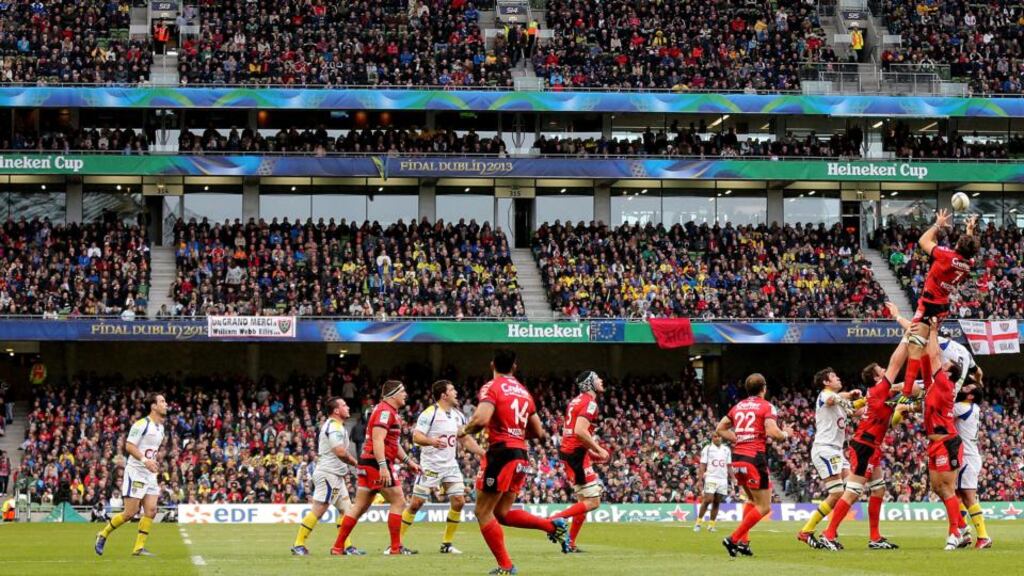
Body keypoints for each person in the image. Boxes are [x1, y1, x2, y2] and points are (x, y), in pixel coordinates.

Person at [459, 348, 570, 575]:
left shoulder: (492, 387)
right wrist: (515, 432)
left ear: (492, 365)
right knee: (502, 512)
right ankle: (552, 526)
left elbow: (481, 419)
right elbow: (539, 433)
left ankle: (506, 567)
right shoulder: (523, 392)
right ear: (514, 367)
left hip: (501, 453)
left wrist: (464, 430)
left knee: (482, 512)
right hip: (520, 455)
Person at [820, 333, 914, 551]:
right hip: (864, 445)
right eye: (881, 371)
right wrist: (906, 338)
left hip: (873, 446)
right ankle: (829, 533)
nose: (885, 370)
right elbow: (896, 362)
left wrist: (907, 407)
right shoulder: (881, 389)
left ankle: (874, 537)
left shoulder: (883, 393)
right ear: (876, 378)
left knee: (879, 490)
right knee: (853, 491)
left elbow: (890, 417)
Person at [331, 380, 421, 556]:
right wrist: (383, 467)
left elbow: (392, 444)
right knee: (398, 501)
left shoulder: (388, 412)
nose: (405, 395)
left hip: (368, 461)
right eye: (402, 392)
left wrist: (408, 462)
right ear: (393, 394)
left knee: (359, 507)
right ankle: (396, 548)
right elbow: (378, 439)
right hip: (376, 462)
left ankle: (337, 547)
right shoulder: (385, 412)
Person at [899, 210, 979, 402]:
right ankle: (926, 386)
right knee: (925, 345)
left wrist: (938, 224)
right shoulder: (969, 263)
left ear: (958, 245)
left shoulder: (946, 255)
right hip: (942, 305)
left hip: (929, 303)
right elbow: (968, 251)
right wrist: (969, 231)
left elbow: (923, 241)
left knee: (914, 343)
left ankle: (907, 390)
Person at [400, 380, 485, 554]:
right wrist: (432, 441)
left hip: (450, 465)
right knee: (416, 503)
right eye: (452, 390)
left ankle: (446, 544)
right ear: (444, 395)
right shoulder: (429, 413)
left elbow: (465, 439)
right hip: (430, 465)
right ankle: (396, 543)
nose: (456, 393)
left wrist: (483, 453)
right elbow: (416, 436)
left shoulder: (458, 415)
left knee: (459, 501)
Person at [718, 373, 793, 557]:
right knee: (764, 506)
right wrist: (786, 434)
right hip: (754, 458)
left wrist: (738, 438)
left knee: (752, 501)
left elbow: (720, 429)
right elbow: (773, 432)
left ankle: (743, 543)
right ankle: (733, 539)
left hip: (737, 458)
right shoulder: (766, 406)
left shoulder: (738, 406)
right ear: (764, 388)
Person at [797, 367, 864, 546]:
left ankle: (827, 531)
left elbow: (855, 411)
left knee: (854, 489)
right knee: (837, 493)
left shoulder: (839, 405)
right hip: (825, 449)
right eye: (834, 377)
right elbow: (833, 399)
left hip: (836, 451)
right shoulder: (824, 395)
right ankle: (809, 531)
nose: (838, 378)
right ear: (826, 382)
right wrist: (849, 395)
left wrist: (868, 401)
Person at [95, 392, 168, 557]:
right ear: (153, 406)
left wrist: (153, 462)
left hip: (149, 473)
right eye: (162, 401)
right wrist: (145, 460)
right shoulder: (141, 424)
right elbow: (129, 446)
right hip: (136, 472)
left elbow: (150, 451)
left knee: (151, 510)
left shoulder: (161, 428)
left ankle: (138, 547)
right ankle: (103, 534)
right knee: (130, 513)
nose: (166, 404)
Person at [291, 396, 364, 556]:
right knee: (319, 509)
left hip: (335, 475)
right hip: (328, 474)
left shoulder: (338, 426)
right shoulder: (334, 427)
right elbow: (339, 451)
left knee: (347, 511)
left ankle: (345, 546)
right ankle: (298, 544)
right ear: (336, 410)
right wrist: (356, 463)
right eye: (344, 405)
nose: (348, 408)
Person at [920, 322, 969, 550]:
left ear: (948, 372)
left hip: (947, 441)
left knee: (947, 488)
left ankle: (954, 533)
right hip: (934, 442)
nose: (942, 362)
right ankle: (963, 528)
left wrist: (932, 330)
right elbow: (927, 359)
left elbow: (932, 355)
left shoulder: (945, 383)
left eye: (945, 364)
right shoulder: (936, 385)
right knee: (937, 488)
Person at [548, 370, 609, 551]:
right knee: (593, 502)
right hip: (576, 455)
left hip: (572, 453)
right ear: (590, 383)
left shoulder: (575, 401)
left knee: (583, 503)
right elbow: (580, 431)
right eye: (598, 378)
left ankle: (570, 544)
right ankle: (556, 519)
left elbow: (572, 433)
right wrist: (598, 449)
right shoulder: (590, 403)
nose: (601, 380)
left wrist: (590, 453)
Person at [954, 382, 992, 549]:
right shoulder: (973, 407)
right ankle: (964, 534)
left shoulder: (962, 407)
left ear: (970, 396)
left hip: (967, 457)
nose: (963, 388)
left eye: (967, 388)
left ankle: (983, 536)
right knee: (956, 495)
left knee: (968, 497)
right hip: (967, 455)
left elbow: (941, 412)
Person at [694, 431, 732, 533]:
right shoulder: (708, 449)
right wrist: (700, 479)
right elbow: (702, 464)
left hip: (723, 479)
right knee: (708, 499)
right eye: (715, 437)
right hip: (711, 477)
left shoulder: (726, 450)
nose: (717, 438)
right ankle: (698, 523)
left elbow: (728, 465)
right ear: (712, 438)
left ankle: (711, 525)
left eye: (719, 436)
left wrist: (733, 478)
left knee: (716, 502)